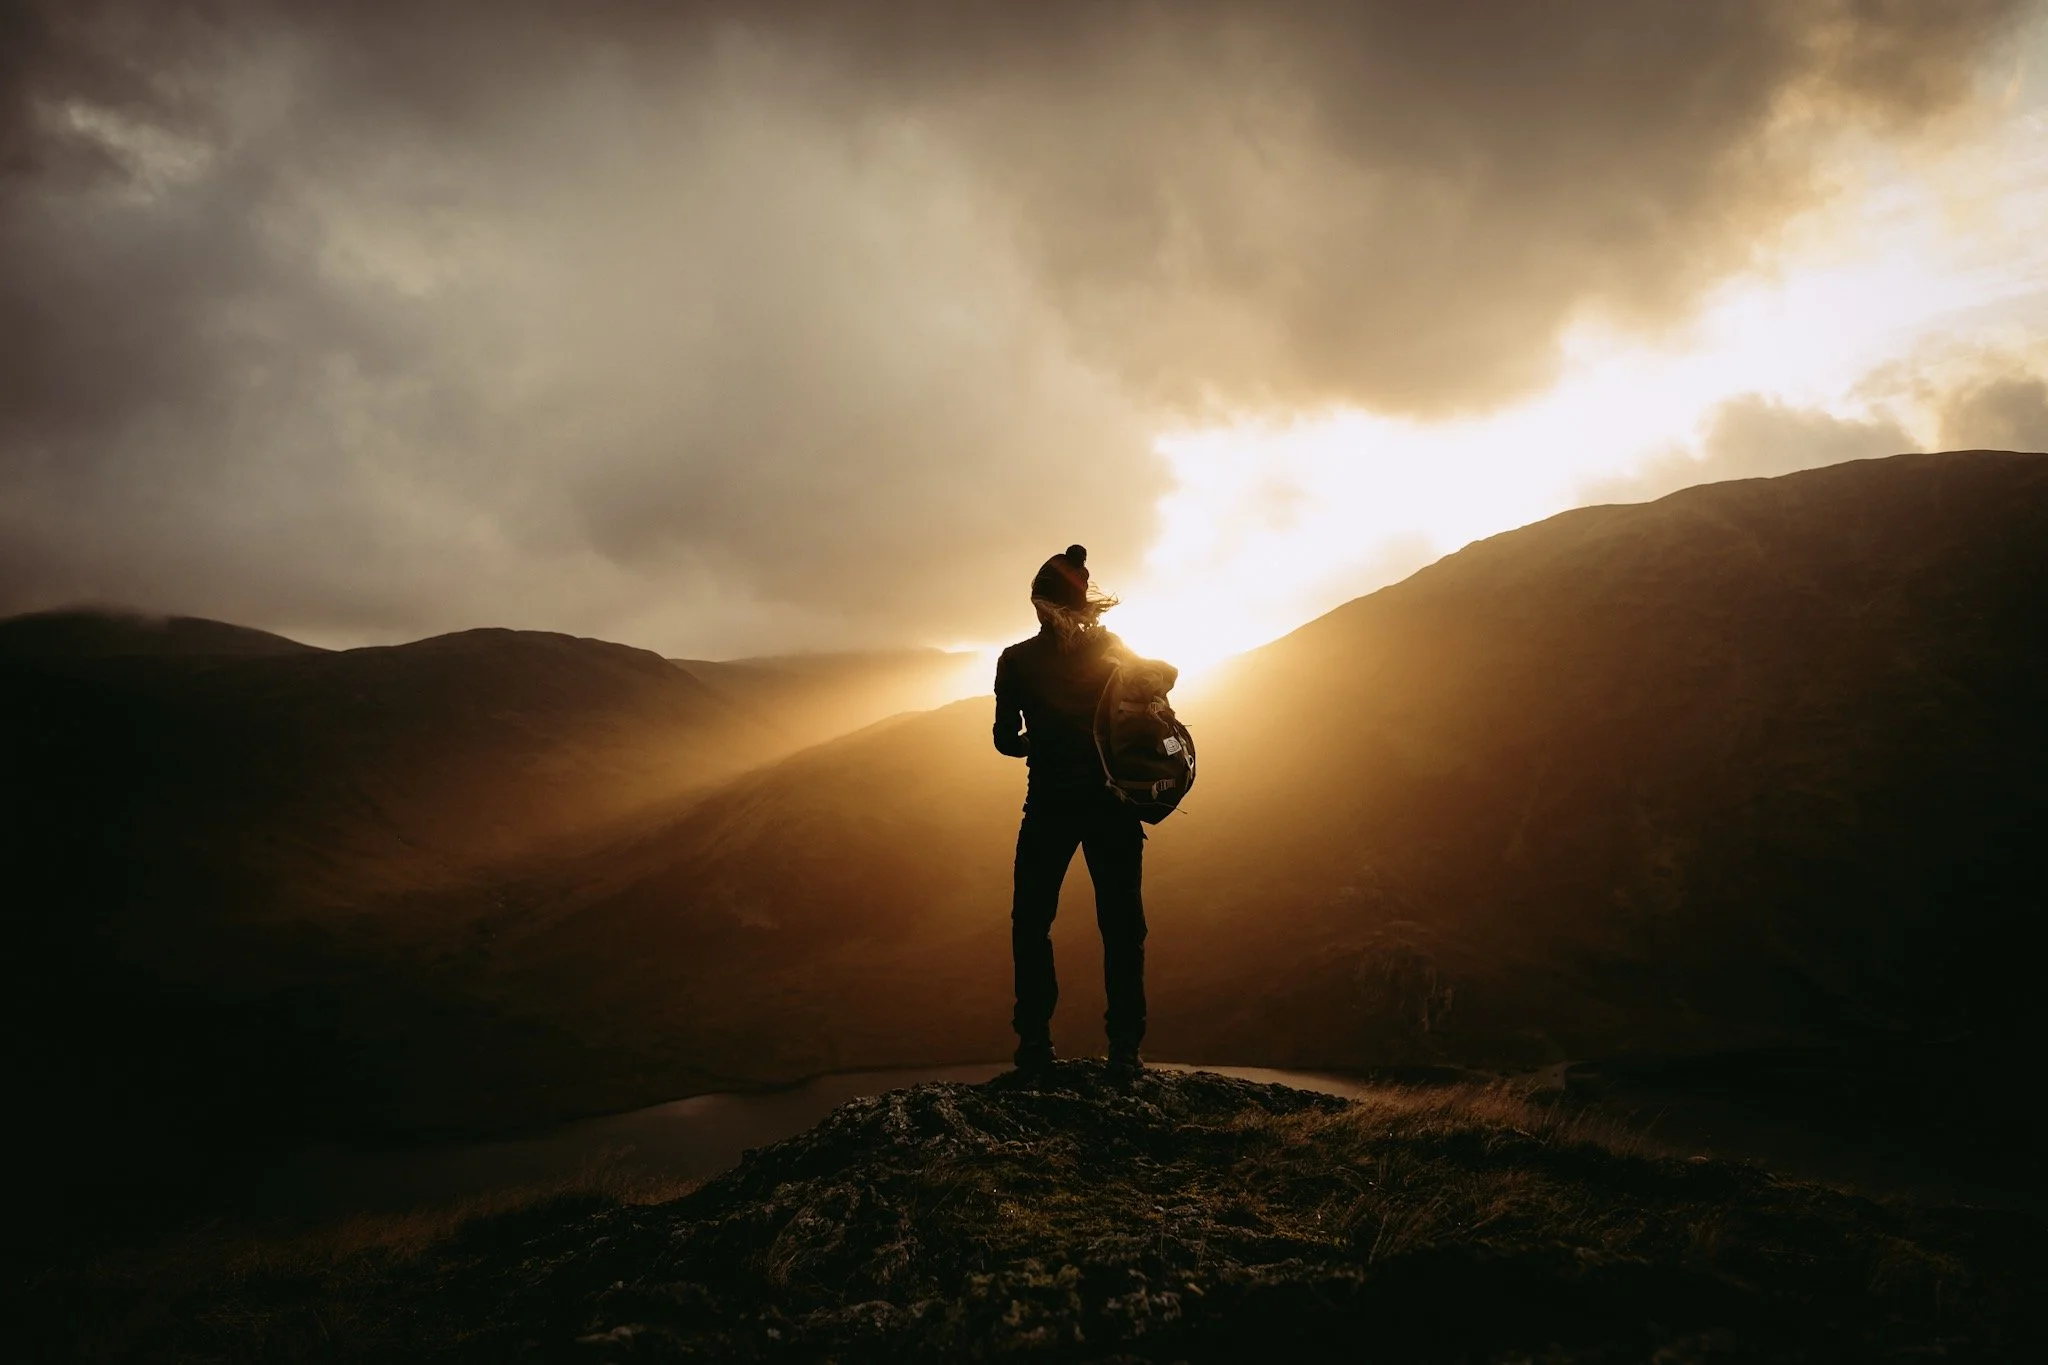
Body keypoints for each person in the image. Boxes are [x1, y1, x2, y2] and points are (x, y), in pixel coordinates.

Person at [992, 544, 1175, 1078]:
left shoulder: (1016, 659)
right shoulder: (1114, 648)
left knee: (1031, 924)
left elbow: (1006, 740)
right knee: (1122, 928)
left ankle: (1034, 1048)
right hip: (1113, 806)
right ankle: (1124, 1049)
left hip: (1049, 805)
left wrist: (1039, 742)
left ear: (1039, 604)